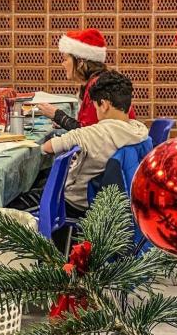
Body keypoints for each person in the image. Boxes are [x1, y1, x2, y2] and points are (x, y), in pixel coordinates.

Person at [41, 71, 148, 249]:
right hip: (119, 205)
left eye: (96, 107)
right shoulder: (140, 132)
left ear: (104, 105)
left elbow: (48, 147)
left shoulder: (92, 134)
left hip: (79, 204)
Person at [38, 28, 135, 130]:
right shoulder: (93, 82)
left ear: (80, 62)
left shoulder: (98, 86)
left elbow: (88, 133)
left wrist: (58, 116)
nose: (63, 64)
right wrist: (63, 122)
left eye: (65, 59)